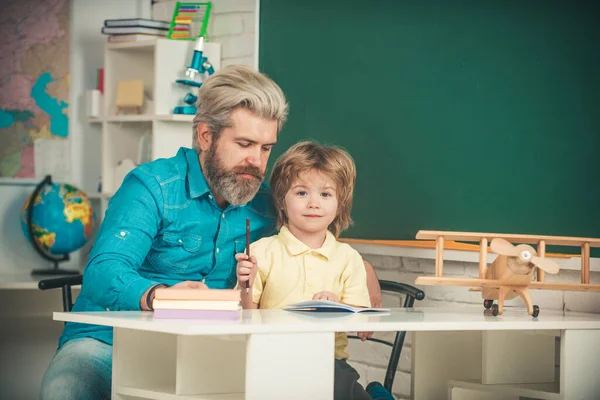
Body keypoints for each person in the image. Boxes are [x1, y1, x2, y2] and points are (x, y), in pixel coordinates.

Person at [39, 65, 382, 399]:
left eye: (266, 148)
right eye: (245, 144)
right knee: (65, 388)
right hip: (111, 341)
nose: (258, 162)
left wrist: (363, 272)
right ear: (206, 135)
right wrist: (162, 296)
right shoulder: (152, 187)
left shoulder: (266, 201)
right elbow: (103, 271)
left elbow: (313, 244)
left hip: (214, 352)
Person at [235, 141, 393, 400]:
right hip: (274, 359)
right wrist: (245, 287)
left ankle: (375, 394)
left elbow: (363, 323)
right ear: (282, 201)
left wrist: (336, 308)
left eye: (326, 194)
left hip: (330, 363)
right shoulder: (261, 252)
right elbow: (246, 319)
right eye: (301, 193)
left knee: (342, 387)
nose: (313, 203)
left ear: (340, 204)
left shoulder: (348, 258)